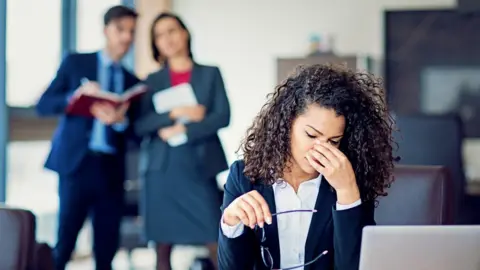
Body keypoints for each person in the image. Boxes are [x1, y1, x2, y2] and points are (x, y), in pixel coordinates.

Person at [218, 64, 397, 270]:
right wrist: (231, 222)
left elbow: (354, 266)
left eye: (333, 141)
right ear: (286, 123)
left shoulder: (350, 178)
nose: (321, 149)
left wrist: (347, 193)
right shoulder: (244, 176)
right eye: (311, 135)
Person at [35, 6, 139, 270]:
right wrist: (75, 96)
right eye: (120, 30)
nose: (126, 37)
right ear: (106, 30)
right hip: (76, 166)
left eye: (131, 32)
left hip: (110, 170)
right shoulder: (76, 63)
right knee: (65, 241)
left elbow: (137, 133)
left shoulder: (131, 81)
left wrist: (121, 121)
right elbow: (44, 104)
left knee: (106, 247)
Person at [133, 12, 230, 270]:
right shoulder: (151, 82)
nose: (167, 38)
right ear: (155, 43)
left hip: (198, 166)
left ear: (185, 33)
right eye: (160, 35)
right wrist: (175, 114)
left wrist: (185, 131)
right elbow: (140, 125)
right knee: (162, 247)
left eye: (172, 30)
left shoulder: (210, 73)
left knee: (215, 237)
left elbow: (223, 116)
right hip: (161, 171)